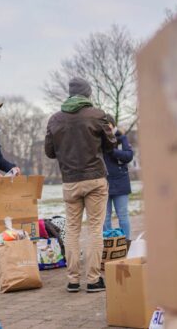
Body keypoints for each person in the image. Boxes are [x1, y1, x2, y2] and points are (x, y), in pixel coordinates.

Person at [45, 77, 116, 293]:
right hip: (95, 178)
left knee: (73, 230)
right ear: (87, 94)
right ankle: (94, 279)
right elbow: (110, 145)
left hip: (70, 181)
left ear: (69, 93)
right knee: (95, 228)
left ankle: (73, 280)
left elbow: (49, 152)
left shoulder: (55, 119)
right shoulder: (97, 115)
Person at [102, 115, 134, 238]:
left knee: (123, 215)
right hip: (104, 183)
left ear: (112, 124)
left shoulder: (121, 138)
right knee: (105, 218)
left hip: (120, 182)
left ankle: (126, 243)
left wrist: (112, 151)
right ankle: (109, 244)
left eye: (107, 124)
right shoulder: (99, 140)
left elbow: (128, 155)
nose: (105, 127)